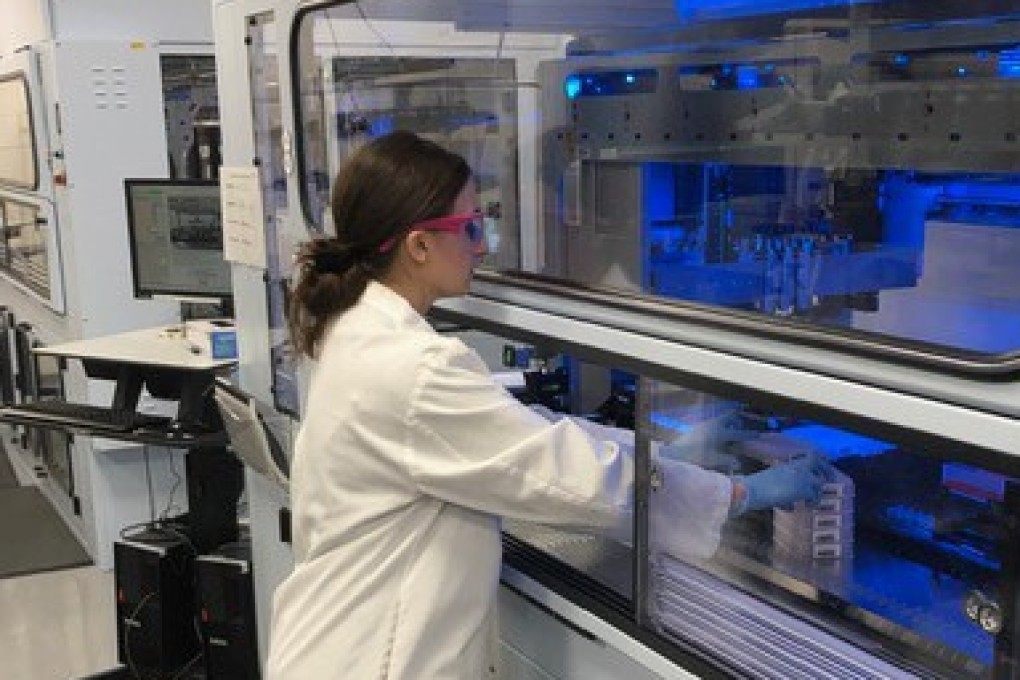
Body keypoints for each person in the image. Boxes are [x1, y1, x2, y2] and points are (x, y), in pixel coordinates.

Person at [266, 131, 833, 679]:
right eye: (469, 227)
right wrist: (736, 493)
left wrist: (663, 450)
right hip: (368, 659)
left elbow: (523, 433)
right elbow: (570, 477)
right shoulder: (413, 368)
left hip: (340, 642)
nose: (483, 245)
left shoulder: (359, 329)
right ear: (418, 246)